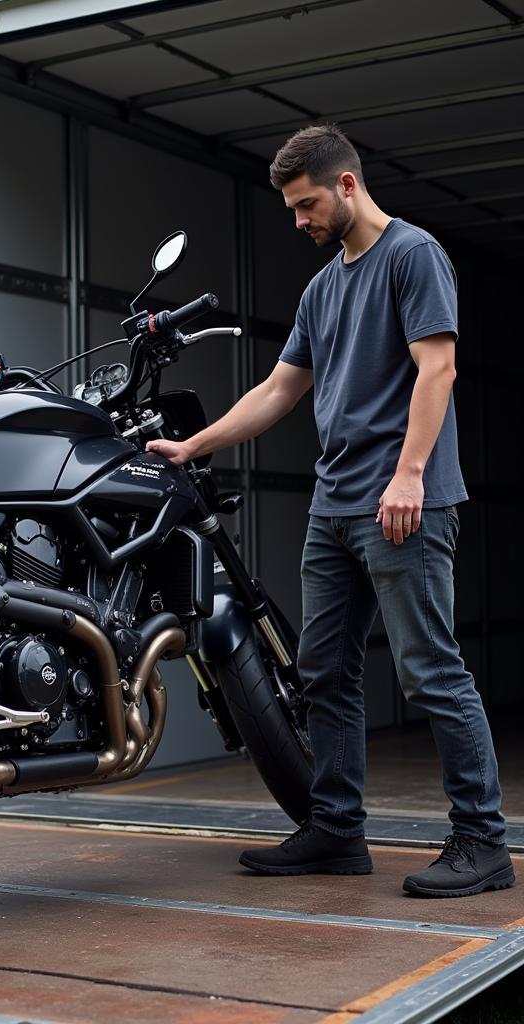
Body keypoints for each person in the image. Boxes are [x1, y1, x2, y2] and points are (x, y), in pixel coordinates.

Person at [147, 124, 512, 898]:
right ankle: (337, 829)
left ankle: (483, 842)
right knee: (324, 674)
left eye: (307, 204)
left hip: (403, 503)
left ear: (347, 184)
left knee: (430, 670)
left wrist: (409, 475)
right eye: (292, 208)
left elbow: (438, 370)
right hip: (335, 505)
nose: (299, 220)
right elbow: (281, 389)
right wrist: (195, 446)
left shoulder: (413, 256)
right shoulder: (322, 289)